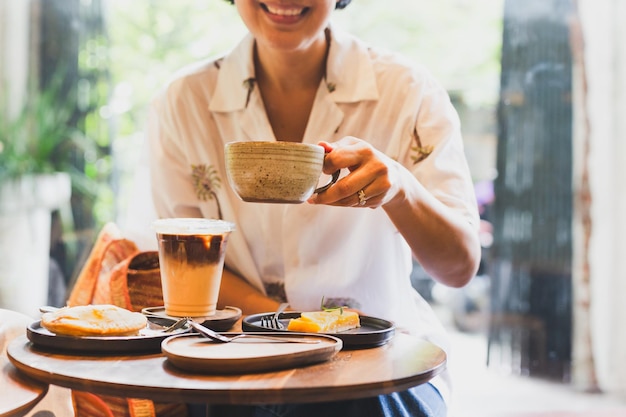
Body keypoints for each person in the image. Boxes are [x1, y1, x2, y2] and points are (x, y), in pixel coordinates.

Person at [145, 1, 481, 416]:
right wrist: (292, 326)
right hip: (234, 358)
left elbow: (460, 268)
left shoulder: (407, 91)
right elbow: (185, 260)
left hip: (381, 364)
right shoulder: (183, 102)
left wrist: (400, 190)